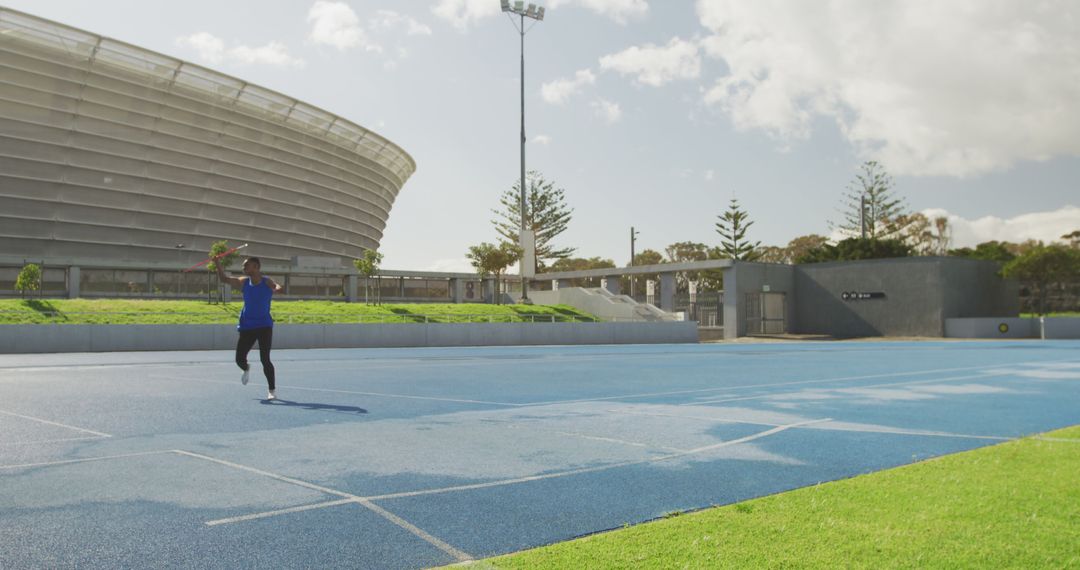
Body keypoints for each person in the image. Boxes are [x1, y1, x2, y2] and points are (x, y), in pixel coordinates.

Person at [215, 256, 283, 400]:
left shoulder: (266, 281)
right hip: (247, 326)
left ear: (256, 267)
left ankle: (272, 390)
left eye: (247, 266)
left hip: (264, 325)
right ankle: (246, 368)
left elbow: (277, 286)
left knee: (265, 359)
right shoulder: (244, 282)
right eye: (244, 266)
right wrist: (217, 263)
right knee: (239, 359)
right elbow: (224, 279)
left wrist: (277, 288)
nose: (243, 268)